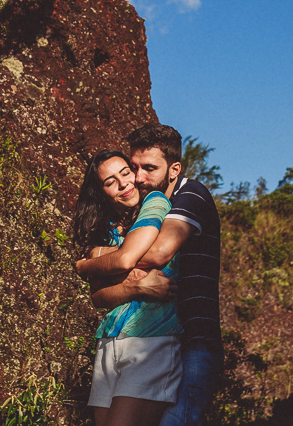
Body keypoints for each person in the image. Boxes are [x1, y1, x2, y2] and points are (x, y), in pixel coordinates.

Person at [75, 125, 223, 426]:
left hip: (193, 341)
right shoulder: (135, 215)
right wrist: (132, 281)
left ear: (174, 169)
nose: (139, 178)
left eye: (149, 168)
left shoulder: (188, 195)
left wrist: (94, 259)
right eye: (135, 167)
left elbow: (156, 254)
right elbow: (98, 296)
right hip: (146, 337)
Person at [73, 149, 183, 426]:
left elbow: (125, 259)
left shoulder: (154, 203)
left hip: (152, 338)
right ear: (101, 192)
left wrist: (86, 265)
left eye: (126, 173)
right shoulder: (108, 228)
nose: (124, 184)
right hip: (110, 338)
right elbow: (98, 297)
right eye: (110, 182)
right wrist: (137, 288)